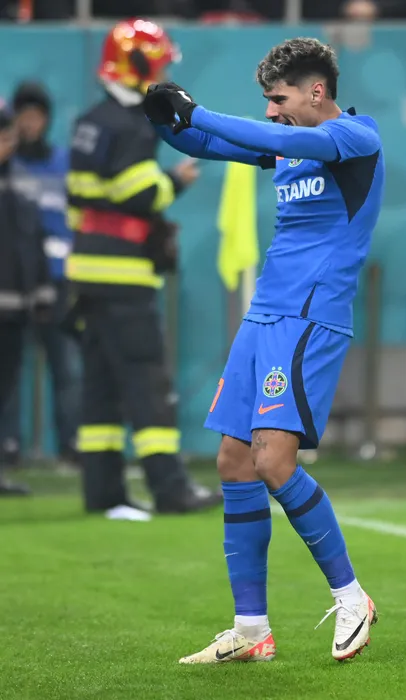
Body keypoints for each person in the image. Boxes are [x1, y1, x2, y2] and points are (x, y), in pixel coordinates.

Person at [144, 37, 385, 662]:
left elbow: (267, 137)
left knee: (274, 461)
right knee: (233, 461)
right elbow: (206, 144)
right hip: (264, 316)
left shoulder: (355, 138)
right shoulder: (289, 145)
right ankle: (251, 630)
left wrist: (197, 111)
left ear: (317, 91)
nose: (272, 111)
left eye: (278, 99)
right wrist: (163, 121)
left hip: (310, 317)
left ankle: (352, 598)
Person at [66, 18, 222, 517]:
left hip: (86, 274)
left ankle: (104, 492)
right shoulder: (131, 124)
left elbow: (81, 199)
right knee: (146, 383)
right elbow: (137, 192)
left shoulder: (90, 121)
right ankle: (170, 489)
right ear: (136, 64)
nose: (162, 74)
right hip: (125, 276)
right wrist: (174, 182)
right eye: (158, 64)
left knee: (101, 386)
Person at [0, 81, 82, 467]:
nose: (29, 124)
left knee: (65, 366)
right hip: (14, 280)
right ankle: (9, 446)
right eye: (24, 117)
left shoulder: (64, 162)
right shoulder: (7, 166)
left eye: (36, 116)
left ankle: (70, 445)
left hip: (59, 279)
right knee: (8, 369)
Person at [0, 106, 56, 495]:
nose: (8, 145)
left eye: (9, 138)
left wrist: (41, 293)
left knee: (5, 391)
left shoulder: (20, 182)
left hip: (14, 308)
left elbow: (33, 241)